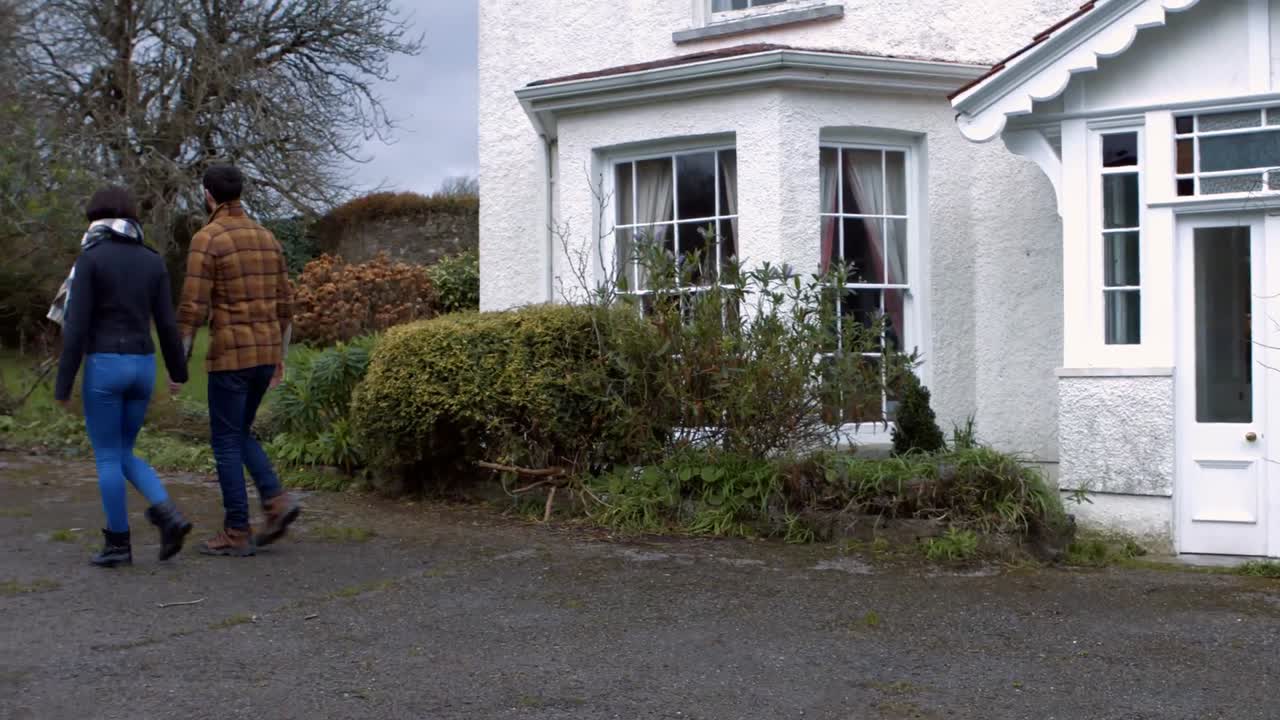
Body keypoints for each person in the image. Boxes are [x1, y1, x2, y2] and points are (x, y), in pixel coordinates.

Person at [53, 187, 193, 568]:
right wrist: (178, 372)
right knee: (124, 452)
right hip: (143, 366)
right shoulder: (152, 261)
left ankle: (118, 543)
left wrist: (63, 384)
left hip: (105, 365)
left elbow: (76, 327)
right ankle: (168, 514)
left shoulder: (91, 259)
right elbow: (166, 323)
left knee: (107, 458)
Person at [177, 164, 300, 557]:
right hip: (264, 354)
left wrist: (180, 360)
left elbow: (193, 306)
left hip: (231, 356)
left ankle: (236, 529)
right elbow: (286, 304)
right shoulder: (268, 237)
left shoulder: (207, 238)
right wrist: (281, 357)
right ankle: (276, 501)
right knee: (240, 432)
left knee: (226, 440)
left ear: (208, 195)